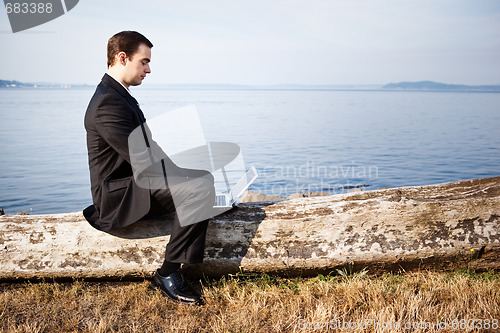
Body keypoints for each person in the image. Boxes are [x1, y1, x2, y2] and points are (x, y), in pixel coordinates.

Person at [83, 31, 215, 305]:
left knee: (203, 180)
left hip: (136, 183)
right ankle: (167, 274)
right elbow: (143, 160)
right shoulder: (107, 102)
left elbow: (151, 149)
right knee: (198, 189)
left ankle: (205, 203)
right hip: (118, 197)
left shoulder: (120, 96)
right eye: (143, 62)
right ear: (122, 58)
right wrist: (191, 188)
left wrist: (189, 178)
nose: (148, 69)